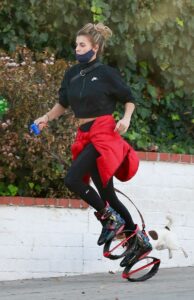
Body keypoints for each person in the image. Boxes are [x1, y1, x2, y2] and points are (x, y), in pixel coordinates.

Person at [34, 23, 152, 264]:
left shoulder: (106, 73)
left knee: (72, 179)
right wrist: (45, 118)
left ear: (95, 48)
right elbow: (62, 104)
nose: (77, 49)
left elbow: (129, 99)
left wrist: (126, 119)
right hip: (85, 134)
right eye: (76, 45)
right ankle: (137, 240)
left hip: (104, 133)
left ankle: (109, 219)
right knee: (108, 195)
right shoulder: (72, 75)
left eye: (82, 45)